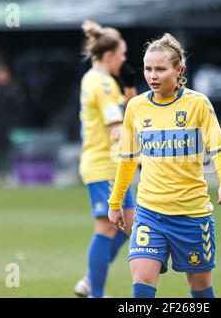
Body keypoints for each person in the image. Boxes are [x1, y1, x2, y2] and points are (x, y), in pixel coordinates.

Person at [107, 33, 221, 298]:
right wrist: (115, 202)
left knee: (200, 290)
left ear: (178, 71)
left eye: (160, 69)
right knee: (141, 283)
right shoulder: (135, 107)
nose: (153, 75)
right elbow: (128, 159)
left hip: (192, 214)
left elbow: (219, 149)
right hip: (149, 213)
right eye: (148, 69)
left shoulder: (198, 104)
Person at [74, 20, 137, 298]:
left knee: (130, 224)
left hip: (109, 165)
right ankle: (95, 292)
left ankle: (90, 280)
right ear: (109, 55)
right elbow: (115, 131)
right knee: (108, 227)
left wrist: (129, 96)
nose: (124, 61)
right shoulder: (104, 85)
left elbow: (116, 115)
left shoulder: (94, 78)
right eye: (122, 55)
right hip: (103, 165)